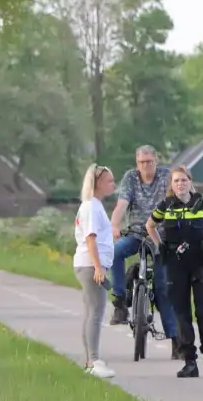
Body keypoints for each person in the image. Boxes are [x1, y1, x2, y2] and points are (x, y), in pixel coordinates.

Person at [146, 166, 203, 378]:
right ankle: (190, 362)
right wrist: (160, 246)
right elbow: (150, 226)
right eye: (176, 181)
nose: (180, 184)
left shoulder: (202, 204)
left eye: (184, 180)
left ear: (190, 182)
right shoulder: (166, 206)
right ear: (171, 185)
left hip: (202, 264)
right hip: (175, 265)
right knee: (181, 313)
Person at [108, 145, 181, 359]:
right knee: (115, 252)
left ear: (156, 161)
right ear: (136, 163)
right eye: (141, 162)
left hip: (161, 237)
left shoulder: (167, 176)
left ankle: (176, 340)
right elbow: (122, 205)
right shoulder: (131, 178)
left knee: (162, 288)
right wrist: (114, 225)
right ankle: (120, 302)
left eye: (149, 161)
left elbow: (178, 199)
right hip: (136, 233)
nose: (145, 166)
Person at [73, 163, 117, 379]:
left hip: (90, 264)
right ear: (98, 183)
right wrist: (98, 267)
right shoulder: (91, 206)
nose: (113, 184)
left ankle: (91, 359)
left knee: (91, 311)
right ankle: (94, 360)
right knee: (96, 311)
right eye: (109, 181)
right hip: (90, 265)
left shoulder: (95, 205)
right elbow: (91, 238)